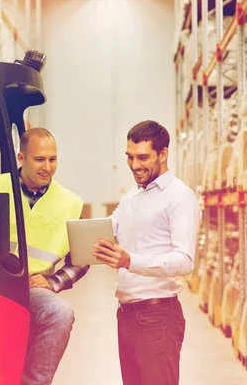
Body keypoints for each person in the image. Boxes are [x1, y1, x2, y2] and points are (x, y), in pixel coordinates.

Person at [92, 120, 201, 385]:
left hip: (157, 317)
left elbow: (185, 260)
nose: (134, 165)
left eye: (143, 157)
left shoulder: (180, 197)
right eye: (129, 157)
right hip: (126, 314)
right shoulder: (133, 197)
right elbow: (107, 227)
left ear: (163, 154)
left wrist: (131, 261)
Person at [0, 127, 89, 385]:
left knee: (61, 313)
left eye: (53, 159)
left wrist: (53, 282)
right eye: (40, 159)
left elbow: (81, 258)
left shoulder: (70, 202)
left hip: (32, 288)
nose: (47, 167)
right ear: (21, 158)